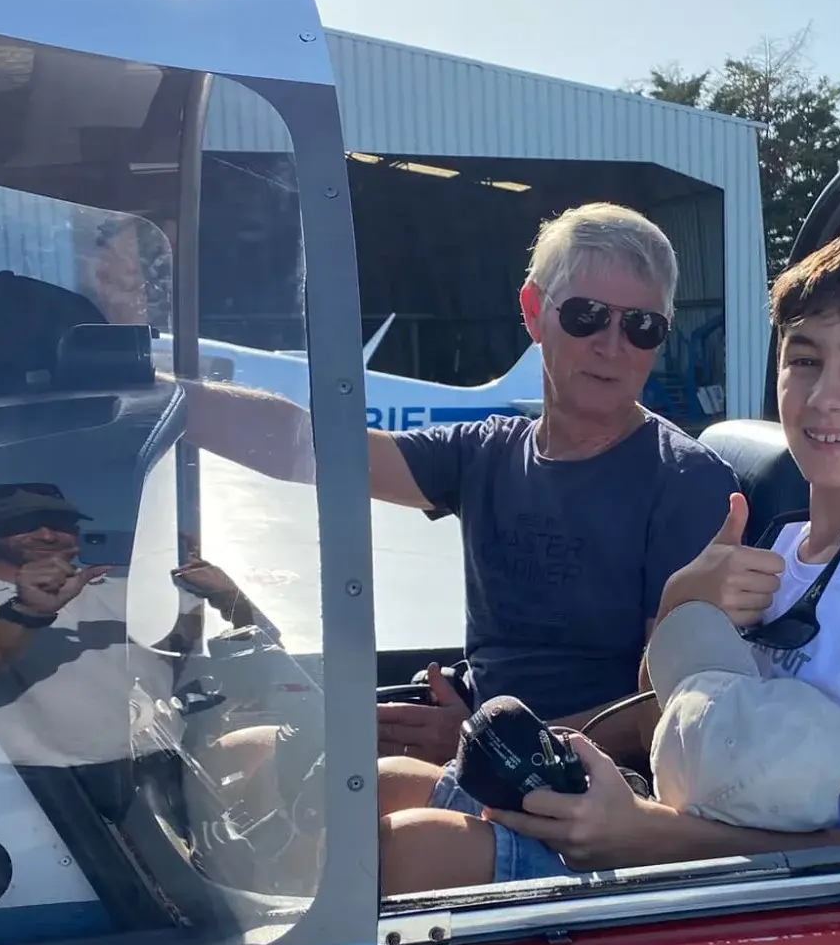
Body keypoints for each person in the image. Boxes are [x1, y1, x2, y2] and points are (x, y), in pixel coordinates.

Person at [378, 229, 840, 893]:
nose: (826, 395)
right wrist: (684, 600)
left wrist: (644, 835)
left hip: (754, 899)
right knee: (377, 792)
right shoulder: (775, 547)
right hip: (663, 831)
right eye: (805, 360)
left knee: (408, 852)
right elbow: (672, 707)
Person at [178, 202, 740, 765]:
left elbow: (664, 709)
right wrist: (166, 402)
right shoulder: (487, 452)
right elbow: (312, 448)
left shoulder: (688, 485)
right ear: (533, 311)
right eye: (586, 316)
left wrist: (488, 745)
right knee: (233, 757)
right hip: (475, 735)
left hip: (583, 786)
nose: (612, 345)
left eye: (641, 327)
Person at [0, 482, 259, 818]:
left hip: (158, 777)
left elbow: (247, 650)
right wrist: (28, 613)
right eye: (21, 525)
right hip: (20, 790)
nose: (46, 535)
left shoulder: (139, 593)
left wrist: (230, 596)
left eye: (60, 524)